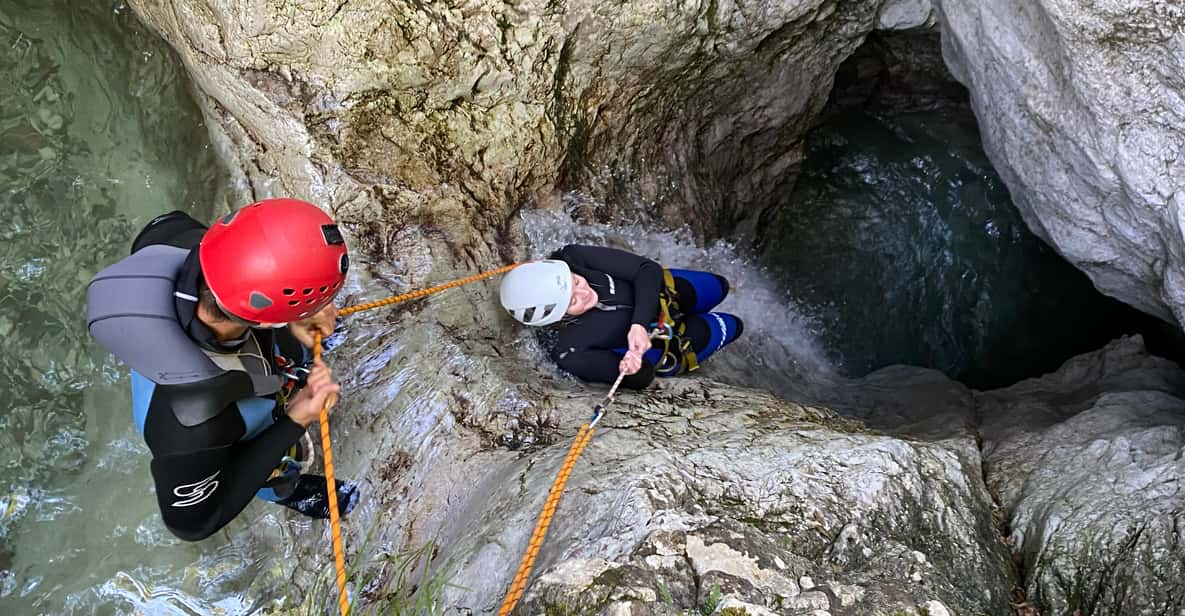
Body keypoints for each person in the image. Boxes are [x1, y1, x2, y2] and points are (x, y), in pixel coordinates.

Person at [86, 198, 358, 542]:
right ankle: (286, 490)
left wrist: (300, 314)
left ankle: (288, 365)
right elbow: (194, 523)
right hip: (225, 426)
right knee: (270, 462)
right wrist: (295, 420)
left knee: (280, 356)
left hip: (244, 346)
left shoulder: (176, 240)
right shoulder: (190, 429)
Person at [500, 244, 744, 390]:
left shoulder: (572, 259)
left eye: (575, 281)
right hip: (669, 345)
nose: (586, 292)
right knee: (735, 326)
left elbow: (646, 269)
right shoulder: (570, 352)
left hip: (666, 292)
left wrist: (638, 323)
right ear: (558, 317)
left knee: (720, 285)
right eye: (573, 301)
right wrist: (632, 369)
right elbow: (643, 378)